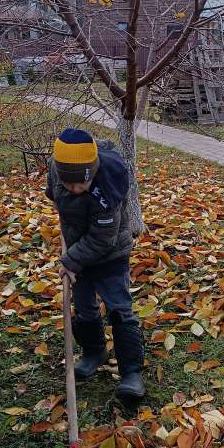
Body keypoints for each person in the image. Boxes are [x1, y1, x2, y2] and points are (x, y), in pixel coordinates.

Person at [46, 128, 145, 401]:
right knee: (85, 308)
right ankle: (94, 352)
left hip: (111, 254)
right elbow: (54, 195)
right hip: (78, 252)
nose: (75, 189)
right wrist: (72, 248)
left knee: (119, 309)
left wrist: (71, 260)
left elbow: (103, 238)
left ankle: (131, 373)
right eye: (69, 184)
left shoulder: (108, 184)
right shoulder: (56, 171)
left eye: (81, 185)